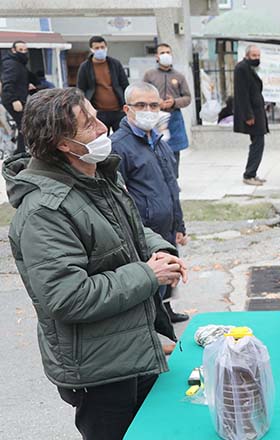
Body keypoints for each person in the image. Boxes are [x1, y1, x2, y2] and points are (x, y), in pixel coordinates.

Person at [3, 87, 187, 439]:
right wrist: (148, 274)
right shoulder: (44, 211)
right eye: (88, 125)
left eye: (96, 116)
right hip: (99, 371)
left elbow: (132, 232)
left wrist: (162, 250)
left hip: (133, 348)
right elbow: (67, 297)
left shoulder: (100, 176)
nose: (103, 128)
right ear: (62, 144)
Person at [111, 81, 190, 324]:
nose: (148, 110)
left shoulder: (158, 141)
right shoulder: (119, 146)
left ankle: (165, 312)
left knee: (169, 274)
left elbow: (170, 187)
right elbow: (116, 196)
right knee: (151, 281)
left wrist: (179, 225)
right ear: (127, 109)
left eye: (154, 105)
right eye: (141, 105)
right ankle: (153, 324)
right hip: (143, 230)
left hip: (165, 225)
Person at [143, 43, 192, 178]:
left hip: (174, 117)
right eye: (162, 52)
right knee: (155, 149)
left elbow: (188, 98)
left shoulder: (179, 76)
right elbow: (142, 93)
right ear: (157, 56)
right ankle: (159, 178)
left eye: (168, 52)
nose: (166, 55)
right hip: (154, 119)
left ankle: (173, 179)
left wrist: (174, 102)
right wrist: (155, 102)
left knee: (174, 150)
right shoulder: (150, 75)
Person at [76, 36, 130, 133]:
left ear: (106, 47)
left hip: (118, 110)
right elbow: (81, 89)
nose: (100, 50)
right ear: (91, 49)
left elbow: (124, 84)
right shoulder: (85, 67)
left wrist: (127, 103)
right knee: (101, 139)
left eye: (102, 47)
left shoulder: (115, 64)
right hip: (98, 112)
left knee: (122, 137)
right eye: (97, 48)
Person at [233, 44, 269, 186]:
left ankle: (252, 173)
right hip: (251, 114)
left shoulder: (249, 68)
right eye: (254, 56)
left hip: (257, 111)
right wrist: (248, 115)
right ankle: (249, 174)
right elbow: (242, 94)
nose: (257, 58)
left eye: (258, 56)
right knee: (258, 143)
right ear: (247, 55)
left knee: (258, 143)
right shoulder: (241, 68)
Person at [2, 40, 35, 154]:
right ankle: (19, 152)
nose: (23, 52)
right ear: (13, 50)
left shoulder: (20, 64)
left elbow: (18, 81)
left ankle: (21, 151)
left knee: (24, 125)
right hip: (13, 100)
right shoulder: (12, 63)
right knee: (22, 125)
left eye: (25, 50)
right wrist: (14, 100)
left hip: (20, 99)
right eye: (20, 50)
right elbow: (8, 83)